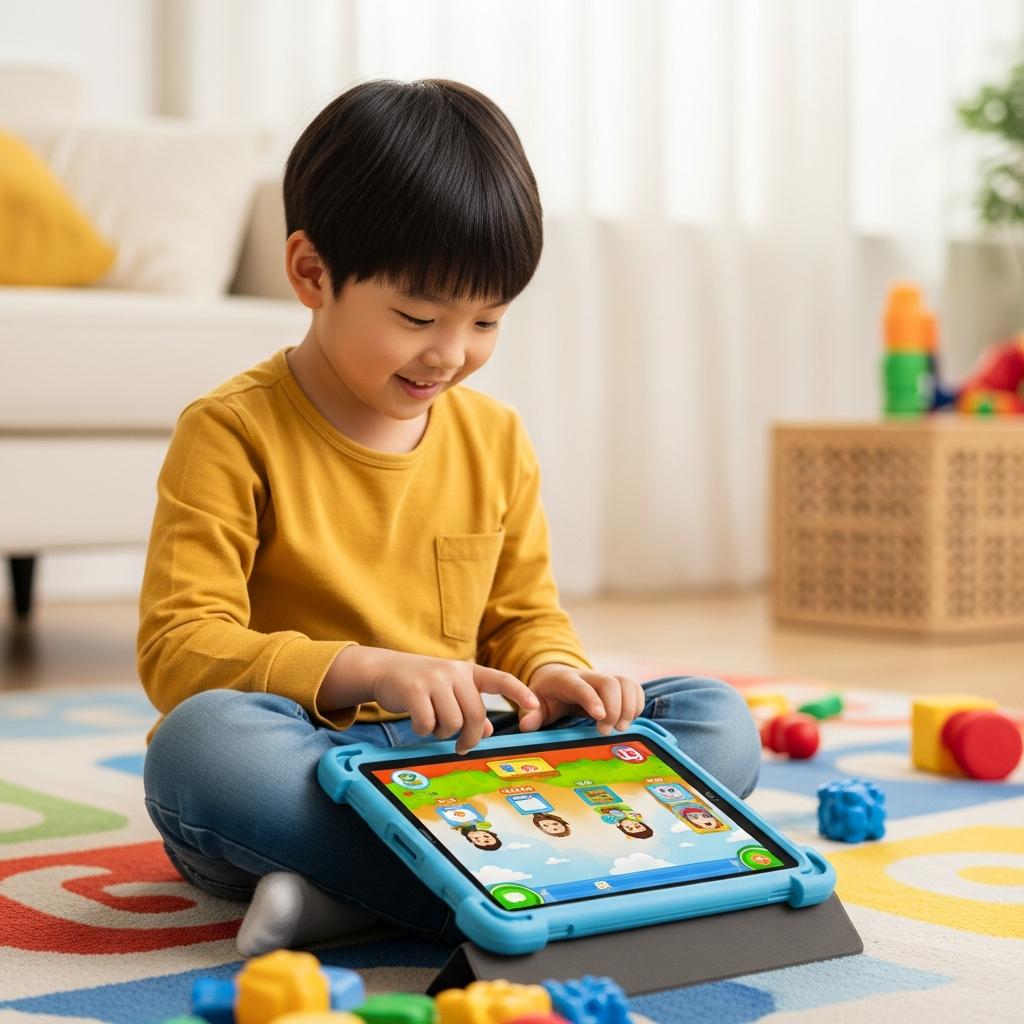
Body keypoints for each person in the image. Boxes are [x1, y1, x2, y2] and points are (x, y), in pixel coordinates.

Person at [139, 78, 761, 958]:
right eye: (417, 317)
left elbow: (523, 615)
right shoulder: (230, 431)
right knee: (201, 748)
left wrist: (554, 672)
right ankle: (527, 890)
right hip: (312, 758)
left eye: (487, 321)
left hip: (470, 767)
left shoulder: (495, 438)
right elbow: (179, 648)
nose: (451, 353)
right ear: (312, 273)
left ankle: (359, 894)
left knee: (715, 717)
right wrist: (367, 671)